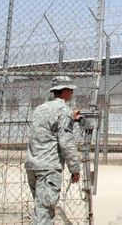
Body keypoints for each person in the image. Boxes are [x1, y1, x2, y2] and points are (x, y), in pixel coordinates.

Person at [25, 76, 81, 225]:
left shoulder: (40, 109)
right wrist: (75, 169)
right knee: (44, 214)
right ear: (66, 91)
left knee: (40, 211)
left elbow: (47, 130)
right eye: (71, 90)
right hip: (48, 168)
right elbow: (66, 142)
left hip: (32, 165)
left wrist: (70, 118)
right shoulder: (63, 111)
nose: (72, 93)